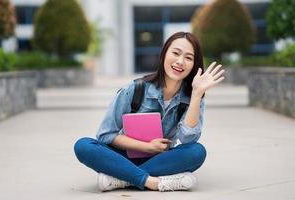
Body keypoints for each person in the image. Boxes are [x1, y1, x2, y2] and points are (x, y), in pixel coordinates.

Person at [74, 32, 225, 192]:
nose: (180, 61)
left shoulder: (193, 96)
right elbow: (106, 135)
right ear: (164, 54)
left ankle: (122, 178)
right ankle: (152, 181)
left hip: (161, 158)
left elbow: (188, 140)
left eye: (188, 58)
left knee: (197, 152)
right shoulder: (134, 89)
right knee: (83, 145)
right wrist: (147, 147)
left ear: (194, 64)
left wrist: (196, 95)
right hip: (124, 156)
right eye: (175, 53)